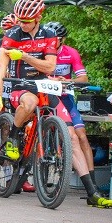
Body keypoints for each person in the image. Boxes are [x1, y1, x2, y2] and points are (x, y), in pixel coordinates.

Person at [0, 0, 112, 207]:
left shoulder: (49, 35)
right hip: (22, 85)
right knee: (30, 104)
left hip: (46, 85)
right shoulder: (12, 34)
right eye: (19, 19)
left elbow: (50, 68)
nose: (21, 24)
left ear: (38, 18)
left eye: (26, 21)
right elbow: (0, 66)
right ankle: (14, 137)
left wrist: (25, 57)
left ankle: (92, 192)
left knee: (72, 137)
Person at [45, 21, 98, 187]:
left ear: (63, 39)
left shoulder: (71, 53)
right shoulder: (42, 52)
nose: (52, 42)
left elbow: (84, 79)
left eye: (56, 39)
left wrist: (67, 80)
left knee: (81, 136)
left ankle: (92, 183)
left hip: (65, 96)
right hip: (47, 97)